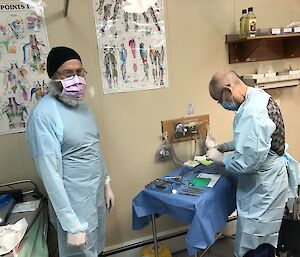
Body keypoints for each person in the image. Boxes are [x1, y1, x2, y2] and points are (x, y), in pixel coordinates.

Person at [26, 46, 115, 257]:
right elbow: (50, 175)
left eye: (79, 72)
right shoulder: (44, 115)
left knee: (97, 247)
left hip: (94, 196)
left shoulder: (83, 108)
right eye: (68, 73)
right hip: (73, 205)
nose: (76, 79)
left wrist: (107, 183)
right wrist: (70, 223)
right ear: (53, 76)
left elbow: (94, 148)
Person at [206, 70, 298, 257]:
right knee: (262, 237)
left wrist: (221, 158)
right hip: (269, 177)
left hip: (264, 184)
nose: (222, 104)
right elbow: (255, 141)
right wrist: (226, 146)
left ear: (227, 90)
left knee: (255, 238)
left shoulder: (253, 112)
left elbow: (248, 162)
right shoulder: (257, 96)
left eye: (219, 100)